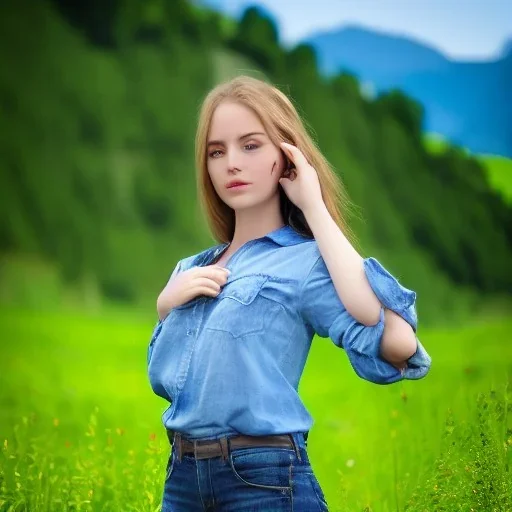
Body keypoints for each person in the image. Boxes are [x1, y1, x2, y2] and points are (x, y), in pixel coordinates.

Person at [147, 75, 432, 511]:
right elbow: (164, 380)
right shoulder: (190, 270)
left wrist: (315, 207)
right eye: (217, 152)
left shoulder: (306, 264)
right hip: (181, 481)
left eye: (251, 145)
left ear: (286, 156)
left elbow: (396, 343)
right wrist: (166, 304)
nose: (231, 164)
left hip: (262, 481)